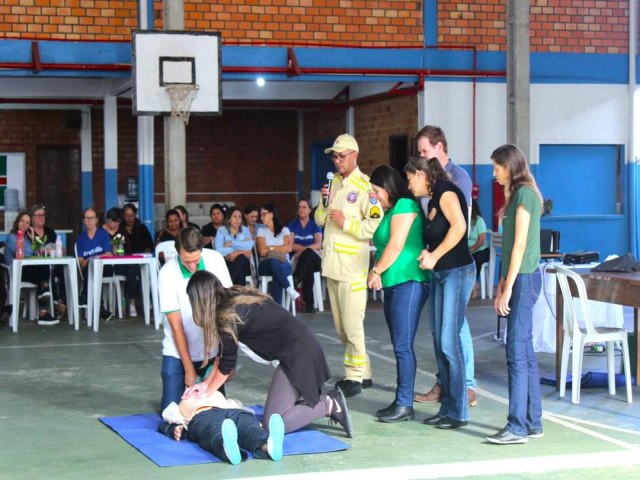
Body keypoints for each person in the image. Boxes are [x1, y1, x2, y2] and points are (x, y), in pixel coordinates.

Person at [181, 270, 353, 438]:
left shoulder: (228, 317)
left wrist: (206, 393)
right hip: (294, 350)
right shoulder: (228, 300)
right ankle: (315, 403)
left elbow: (226, 365)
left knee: (272, 425)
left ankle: (330, 404)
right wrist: (205, 385)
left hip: (299, 353)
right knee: (272, 419)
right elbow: (222, 355)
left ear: (199, 301)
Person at [405, 156, 475, 430]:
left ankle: (458, 412)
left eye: (410, 178)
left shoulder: (446, 191)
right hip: (441, 274)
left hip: (457, 272)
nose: (409, 184)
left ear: (422, 175)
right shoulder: (431, 200)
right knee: (438, 342)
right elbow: (439, 237)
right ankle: (447, 408)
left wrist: (435, 257)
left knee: (449, 341)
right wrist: (429, 254)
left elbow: (460, 227)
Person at [314, 133, 382, 397]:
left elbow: (373, 224)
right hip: (333, 265)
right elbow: (320, 220)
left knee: (353, 323)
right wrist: (324, 200)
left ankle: (353, 376)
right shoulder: (334, 186)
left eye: (342, 156)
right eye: (335, 156)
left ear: (355, 156)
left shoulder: (366, 189)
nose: (337, 160)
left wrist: (348, 223)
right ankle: (364, 372)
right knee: (342, 326)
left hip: (352, 266)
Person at [486, 144, 544, 445]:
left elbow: (520, 245)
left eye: (497, 167)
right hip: (516, 277)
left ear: (510, 166)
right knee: (525, 350)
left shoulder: (523, 194)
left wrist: (509, 287)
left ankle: (517, 427)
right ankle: (534, 422)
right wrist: (502, 280)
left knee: (515, 351)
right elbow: (508, 246)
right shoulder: (513, 196)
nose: (494, 173)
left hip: (525, 278)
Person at [366, 166, 430, 423]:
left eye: (377, 190)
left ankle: (405, 403)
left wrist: (376, 270)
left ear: (388, 187)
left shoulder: (404, 204)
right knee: (399, 345)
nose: (375, 196)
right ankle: (401, 399)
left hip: (409, 280)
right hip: (394, 282)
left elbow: (396, 244)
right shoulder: (390, 210)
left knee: (403, 346)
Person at [158, 227, 233, 410]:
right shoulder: (167, 273)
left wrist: (223, 359)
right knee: (172, 410)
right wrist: (189, 368)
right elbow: (176, 327)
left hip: (211, 350)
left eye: (196, 261)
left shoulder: (215, 260)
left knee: (214, 409)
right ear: (177, 253)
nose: (192, 267)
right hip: (178, 351)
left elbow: (228, 310)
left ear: (202, 250)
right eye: (186, 262)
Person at [159, 391, 285, 465]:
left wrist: (254, 421)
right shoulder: (182, 402)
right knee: (214, 431)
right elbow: (168, 417)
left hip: (230, 410)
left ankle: (268, 446)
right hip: (202, 416)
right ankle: (228, 448)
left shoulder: (215, 392)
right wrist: (176, 427)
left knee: (247, 426)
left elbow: (241, 407)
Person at [3, 211, 57, 325]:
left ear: (29, 225)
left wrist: (33, 238)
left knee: (44, 265)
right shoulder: (12, 237)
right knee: (42, 270)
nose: (24, 224)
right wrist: (33, 245)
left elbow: (39, 253)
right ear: (18, 221)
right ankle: (44, 290)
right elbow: (25, 253)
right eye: (22, 221)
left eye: (27, 223)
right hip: (15, 272)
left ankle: (43, 312)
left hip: (27, 270)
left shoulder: (27, 238)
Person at [27, 203, 66, 316]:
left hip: (53, 263)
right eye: (37, 215)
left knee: (64, 269)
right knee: (49, 270)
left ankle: (62, 301)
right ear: (31, 217)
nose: (40, 218)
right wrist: (46, 250)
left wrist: (60, 249)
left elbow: (59, 247)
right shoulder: (29, 232)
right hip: (37, 268)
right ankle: (55, 303)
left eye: (42, 215)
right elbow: (33, 251)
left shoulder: (50, 231)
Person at [75, 207, 114, 321]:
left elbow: (108, 254)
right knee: (90, 267)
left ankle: (85, 296)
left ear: (96, 220)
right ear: (83, 221)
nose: (89, 221)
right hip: (88, 270)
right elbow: (81, 262)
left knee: (93, 266)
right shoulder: (81, 238)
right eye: (86, 218)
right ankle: (101, 309)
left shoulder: (103, 234)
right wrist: (90, 261)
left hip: (105, 268)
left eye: (92, 218)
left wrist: (94, 258)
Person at [255, 203, 299, 305]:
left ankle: (277, 308)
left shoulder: (284, 230)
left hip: (284, 263)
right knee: (274, 262)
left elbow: (288, 248)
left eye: (264, 214)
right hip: (266, 264)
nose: (261, 217)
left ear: (272, 214)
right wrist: (280, 248)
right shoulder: (261, 231)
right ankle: (288, 288)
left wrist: (270, 248)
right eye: (260, 215)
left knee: (277, 271)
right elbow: (262, 251)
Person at [101, 206, 139, 318]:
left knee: (131, 270)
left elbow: (129, 250)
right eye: (112, 221)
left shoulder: (122, 231)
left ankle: (132, 303)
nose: (114, 224)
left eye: (117, 222)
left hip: (119, 263)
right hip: (105, 266)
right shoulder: (101, 232)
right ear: (107, 219)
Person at [287, 198, 322, 313]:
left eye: (304, 207)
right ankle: (309, 304)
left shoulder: (314, 224)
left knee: (308, 255)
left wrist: (303, 251)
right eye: (299, 207)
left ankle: (296, 278)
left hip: (315, 257)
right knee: (308, 265)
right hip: (297, 260)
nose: (301, 210)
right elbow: (290, 245)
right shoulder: (292, 225)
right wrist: (307, 250)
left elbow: (318, 244)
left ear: (310, 210)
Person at [214, 206, 253, 286]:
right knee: (241, 262)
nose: (237, 219)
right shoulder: (221, 230)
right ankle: (239, 294)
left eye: (239, 217)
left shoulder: (245, 230)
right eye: (235, 216)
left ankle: (227, 285)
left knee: (242, 258)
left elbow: (249, 246)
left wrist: (232, 244)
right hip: (227, 262)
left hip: (245, 265)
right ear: (229, 219)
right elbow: (219, 250)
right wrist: (240, 249)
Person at [469, 199, 490, 299]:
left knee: (475, 259)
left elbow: (481, 240)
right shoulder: (463, 220)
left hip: (481, 250)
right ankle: (472, 285)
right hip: (468, 250)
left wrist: (472, 249)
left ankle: (473, 284)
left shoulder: (478, 220)